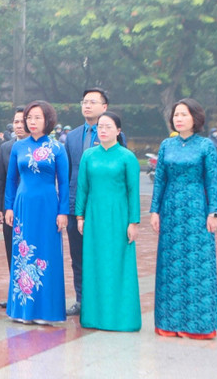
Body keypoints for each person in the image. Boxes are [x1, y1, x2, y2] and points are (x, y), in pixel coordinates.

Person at [150, 98, 217, 339]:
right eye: (176, 115)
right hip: (170, 210)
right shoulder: (166, 145)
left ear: (195, 118)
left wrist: (213, 212)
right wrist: (155, 210)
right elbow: (160, 180)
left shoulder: (205, 146)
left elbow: (211, 181)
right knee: (170, 265)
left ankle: (199, 326)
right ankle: (169, 323)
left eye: (184, 114)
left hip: (196, 210)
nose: (178, 119)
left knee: (197, 265)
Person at [75, 111, 141, 332]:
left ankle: (122, 319)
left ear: (118, 131)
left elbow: (133, 191)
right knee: (94, 263)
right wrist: (80, 216)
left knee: (118, 264)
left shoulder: (127, 157)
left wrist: (133, 222)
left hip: (119, 217)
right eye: (100, 127)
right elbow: (82, 187)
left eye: (108, 127)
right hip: (94, 217)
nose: (102, 130)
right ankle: (94, 317)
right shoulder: (88, 156)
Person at [4, 100, 69, 325]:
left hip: (48, 205)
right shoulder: (18, 147)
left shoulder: (57, 148)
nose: (32, 122)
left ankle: (45, 311)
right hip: (23, 206)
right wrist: (8, 207)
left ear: (47, 120)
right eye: (29, 118)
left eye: (37, 118)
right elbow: (11, 180)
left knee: (47, 253)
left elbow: (64, 182)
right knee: (22, 255)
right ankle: (23, 310)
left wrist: (63, 212)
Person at [63, 87, 119, 316]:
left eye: (92, 102)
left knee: (102, 253)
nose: (87, 105)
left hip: (102, 205)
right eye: (84, 101)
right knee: (77, 255)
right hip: (75, 203)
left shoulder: (112, 134)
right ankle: (81, 300)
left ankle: (103, 301)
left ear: (104, 107)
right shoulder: (72, 136)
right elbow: (67, 173)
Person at [0, 107, 26, 308]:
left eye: (22, 121)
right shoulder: (6, 147)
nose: (19, 125)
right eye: (16, 122)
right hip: (10, 208)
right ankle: (15, 291)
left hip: (31, 205)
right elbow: (1, 180)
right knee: (11, 250)